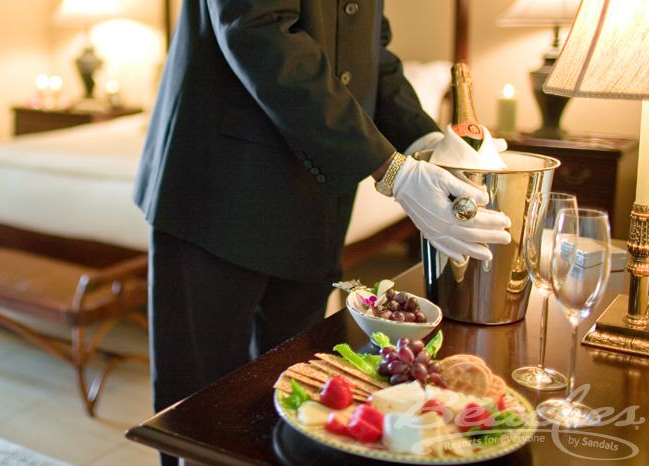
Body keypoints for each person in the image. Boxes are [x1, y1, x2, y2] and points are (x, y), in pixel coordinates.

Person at [133, 2, 510, 462]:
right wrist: (392, 170)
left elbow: (370, 51)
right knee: (199, 417)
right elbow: (257, 28)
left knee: (297, 400)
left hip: (315, 199)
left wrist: (424, 141)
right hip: (219, 189)